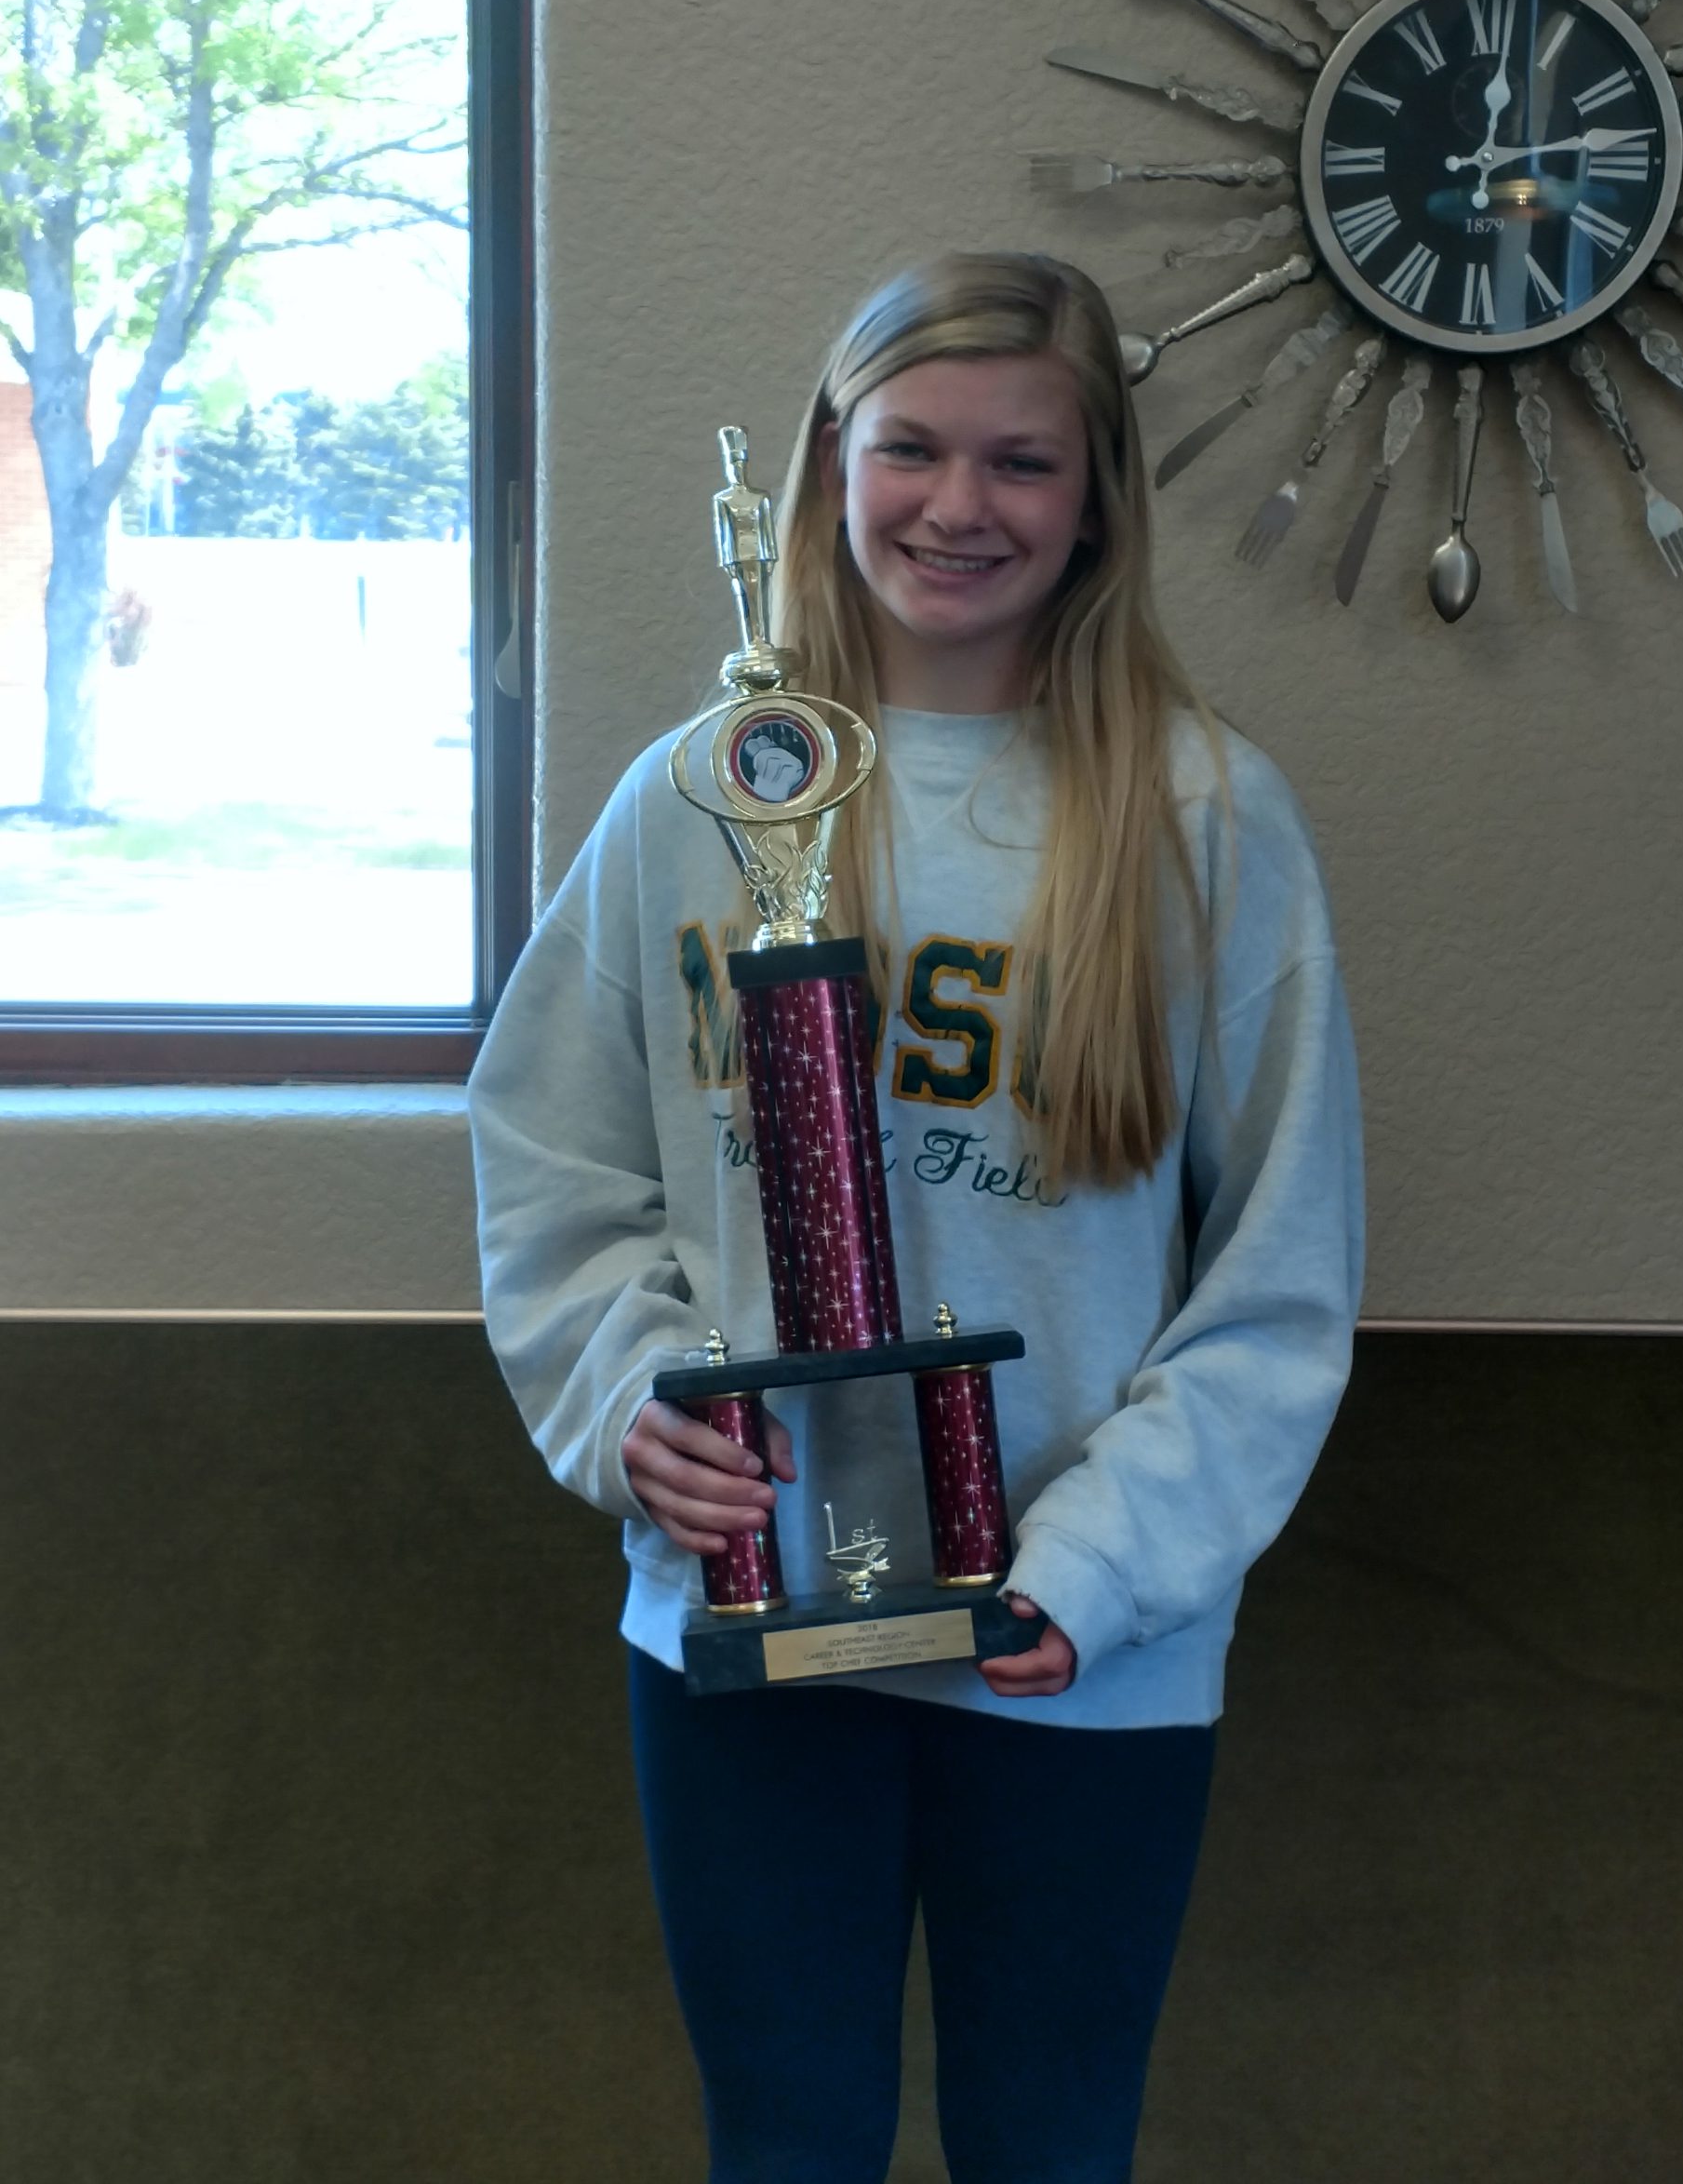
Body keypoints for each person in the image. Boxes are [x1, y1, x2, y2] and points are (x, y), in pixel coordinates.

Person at [467, 251, 1366, 2184]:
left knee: (1049, 2142)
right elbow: (556, 1159)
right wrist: (633, 1400)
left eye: (1022, 460)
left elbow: (1278, 1280)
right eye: (913, 449)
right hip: (742, 1610)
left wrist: (1100, 1565)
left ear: (1099, 497)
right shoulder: (697, 798)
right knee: (786, 2138)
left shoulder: (1206, 819)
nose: (961, 505)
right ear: (829, 463)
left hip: (1080, 1645)